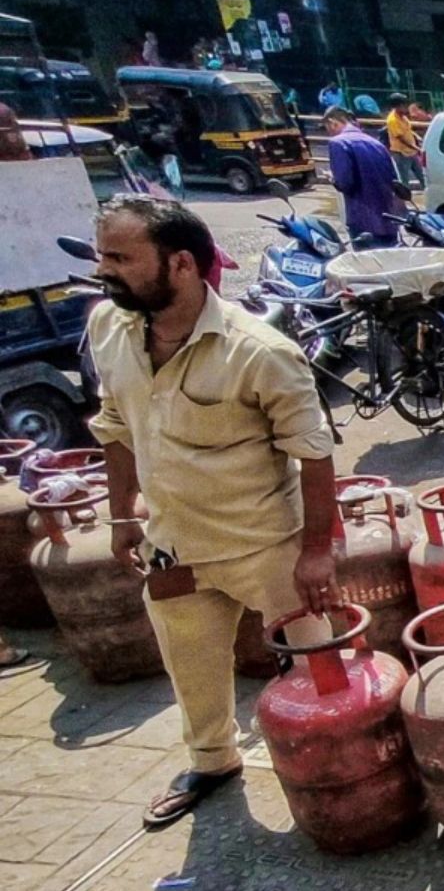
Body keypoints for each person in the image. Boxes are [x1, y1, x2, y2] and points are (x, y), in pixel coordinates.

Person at [87, 196, 335, 828]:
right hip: (174, 545)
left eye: (121, 258)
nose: (104, 270)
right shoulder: (107, 328)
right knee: (190, 666)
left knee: (322, 672)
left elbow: (313, 454)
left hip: (266, 547)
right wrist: (122, 518)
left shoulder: (260, 352)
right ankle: (212, 759)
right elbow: (115, 427)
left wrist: (315, 550)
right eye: (102, 255)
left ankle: (339, 765)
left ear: (182, 266)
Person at [323, 106, 402, 248]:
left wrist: (332, 179)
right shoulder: (377, 144)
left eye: (327, 127)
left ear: (333, 122)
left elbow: (345, 183)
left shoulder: (338, 143)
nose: (329, 132)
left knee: (367, 266)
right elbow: (393, 180)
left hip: (362, 219)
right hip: (388, 218)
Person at [384, 94, 424, 189]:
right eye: (404, 105)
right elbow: (401, 138)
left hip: (411, 152)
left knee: (422, 176)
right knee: (404, 180)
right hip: (401, 153)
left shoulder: (403, 117)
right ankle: (405, 201)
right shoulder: (392, 120)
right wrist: (416, 148)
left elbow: (408, 130)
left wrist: (416, 137)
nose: (406, 107)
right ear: (397, 106)